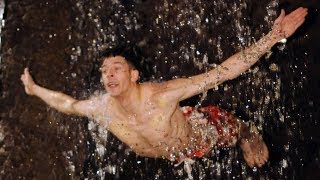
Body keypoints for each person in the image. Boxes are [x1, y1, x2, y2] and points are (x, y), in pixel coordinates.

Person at [20, 7, 308, 168]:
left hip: (199, 136)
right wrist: (35, 90)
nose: (109, 75)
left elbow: (222, 73)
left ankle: (246, 133)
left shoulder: (161, 96)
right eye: (104, 71)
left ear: (134, 75)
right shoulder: (101, 108)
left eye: (116, 68)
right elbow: (67, 104)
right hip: (168, 157)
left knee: (225, 126)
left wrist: (273, 37)